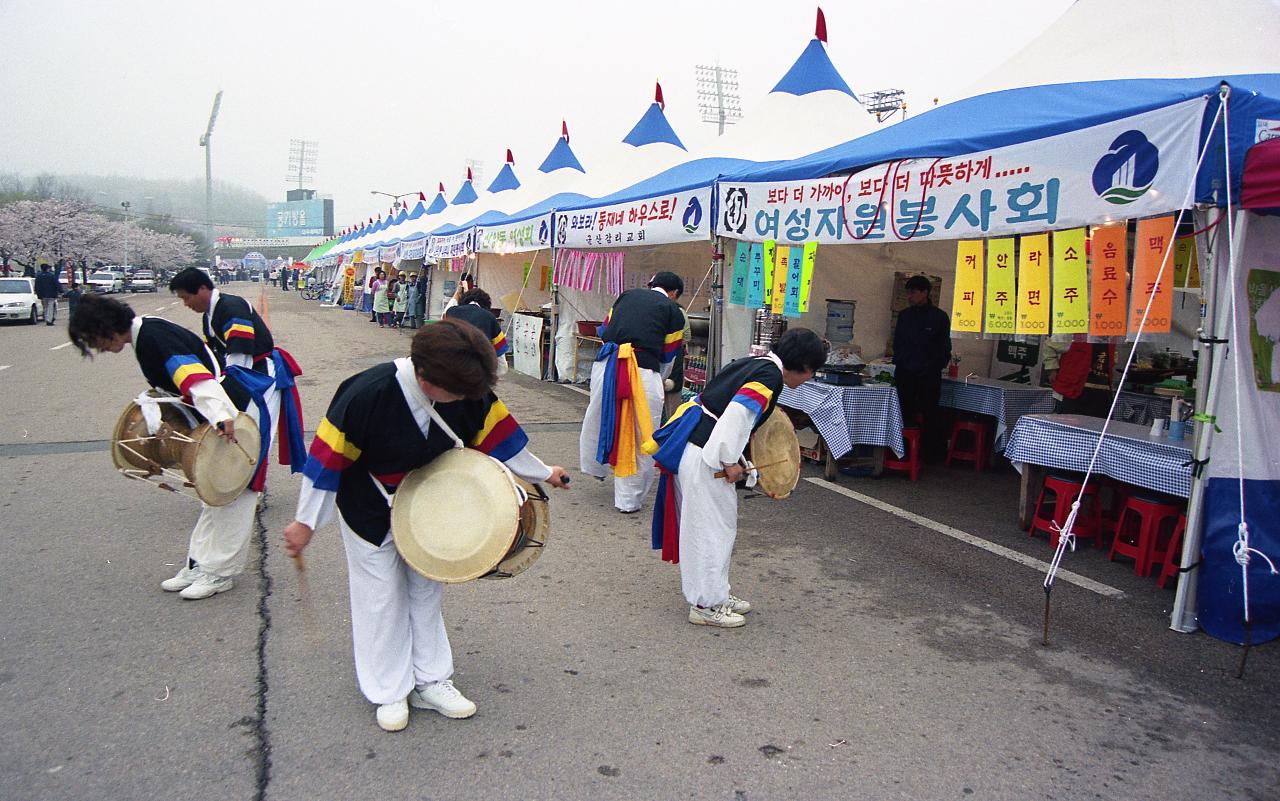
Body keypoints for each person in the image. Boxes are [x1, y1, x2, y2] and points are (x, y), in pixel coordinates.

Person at [282, 320, 570, 732]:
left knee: (425, 589)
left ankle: (431, 680)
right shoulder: (366, 393)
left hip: (431, 505)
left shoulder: (466, 385)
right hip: (367, 504)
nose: (465, 400)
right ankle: (388, 690)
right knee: (380, 596)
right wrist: (305, 522)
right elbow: (326, 462)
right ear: (424, 376)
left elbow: (501, 437)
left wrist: (543, 473)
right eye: (456, 394)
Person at [69, 294, 264, 599]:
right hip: (218, 413)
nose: (98, 348)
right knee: (211, 494)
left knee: (232, 493)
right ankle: (201, 564)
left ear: (105, 327)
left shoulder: (153, 336)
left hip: (231, 412)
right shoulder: (145, 334)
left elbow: (194, 377)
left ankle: (220, 573)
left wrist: (223, 416)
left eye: (94, 340)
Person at [647, 328, 827, 628]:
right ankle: (705, 604)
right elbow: (737, 415)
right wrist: (729, 460)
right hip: (706, 452)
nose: (809, 378)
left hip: (697, 444)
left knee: (716, 525)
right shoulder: (769, 377)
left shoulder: (757, 363)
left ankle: (716, 593)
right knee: (711, 529)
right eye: (811, 372)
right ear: (804, 365)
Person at [166, 267, 307, 596]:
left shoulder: (230, 307)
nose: (185, 304)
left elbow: (239, 363)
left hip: (259, 380)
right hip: (245, 380)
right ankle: (202, 563)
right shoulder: (211, 315)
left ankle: (220, 569)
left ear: (202, 289)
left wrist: (222, 409)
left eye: (186, 297)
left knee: (245, 456)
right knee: (232, 460)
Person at [580, 271, 685, 513]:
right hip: (641, 370)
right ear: (674, 293)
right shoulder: (673, 311)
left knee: (600, 416)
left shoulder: (625, 296)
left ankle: (596, 467)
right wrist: (660, 379)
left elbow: (602, 331)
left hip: (606, 366)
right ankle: (628, 499)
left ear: (651, 284)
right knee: (642, 434)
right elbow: (668, 356)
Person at [892, 275, 951, 460]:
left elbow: (944, 348)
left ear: (925, 293)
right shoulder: (904, 316)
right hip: (905, 373)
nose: (909, 296)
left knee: (930, 413)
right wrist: (902, 363)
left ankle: (929, 454)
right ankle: (902, 451)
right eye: (908, 292)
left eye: (913, 292)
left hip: (928, 375)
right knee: (903, 412)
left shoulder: (939, 317)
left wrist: (931, 367)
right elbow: (898, 343)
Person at [1043, 340, 1116, 417]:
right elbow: (1049, 345)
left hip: (1102, 395)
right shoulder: (1076, 332)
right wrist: (1052, 369)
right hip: (1072, 392)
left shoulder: (1111, 338)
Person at [444, 288, 509, 374]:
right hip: (477, 372)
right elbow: (500, 358)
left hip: (450, 367)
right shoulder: (490, 317)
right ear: (486, 305)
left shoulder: (451, 312)